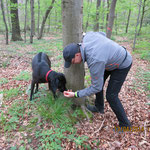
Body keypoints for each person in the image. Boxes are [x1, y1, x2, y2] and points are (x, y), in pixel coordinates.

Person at [63, 31, 132, 127]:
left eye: (73, 61)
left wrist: (75, 94)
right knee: (98, 80)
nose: (73, 64)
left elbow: (96, 87)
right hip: (107, 61)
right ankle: (99, 107)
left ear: (77, 55)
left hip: (122, 63)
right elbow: (102, 33)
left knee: (111, 96)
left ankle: (125, 125)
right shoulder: (87, 37)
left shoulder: (95, 60)